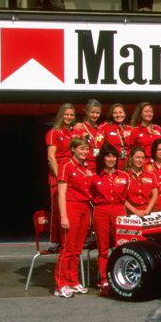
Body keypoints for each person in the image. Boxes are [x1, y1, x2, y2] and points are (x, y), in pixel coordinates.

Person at [54, 138, 94, 298]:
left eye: (86, 149)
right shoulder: (66, 166)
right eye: (81, 149)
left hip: (84, 207)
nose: (84, 152)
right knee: (67, 248)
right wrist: (63, 215)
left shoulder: (86, 167)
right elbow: (61, 193)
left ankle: (72, 280)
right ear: (73, 149)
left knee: (77, 248)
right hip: (71, 206)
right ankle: (60, 284)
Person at [90, 146, 128, 292]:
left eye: (114, 156)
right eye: (108, 156)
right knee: (103, 248)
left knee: (121, 246)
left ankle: (121, 276)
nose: (111, 159)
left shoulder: (124, 176)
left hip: (119, 210)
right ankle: (105, 280)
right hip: (101, 211)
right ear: (103, 158)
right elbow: (91, 195)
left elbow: (126, 196)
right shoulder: (95, 177)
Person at [46, 103, 77, 248]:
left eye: (71, 115)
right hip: (59, 174)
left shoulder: (73, 133)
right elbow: (51, 157)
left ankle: (71, 239)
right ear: (60, 115)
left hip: (72, 174)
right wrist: (60, 177)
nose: (69, 117)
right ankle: (59, 242)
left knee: (72, 207)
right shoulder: (54, 132)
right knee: (59, 208)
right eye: (66, 114)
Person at [123, 146, 158, 217]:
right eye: (137, 157)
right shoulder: (124, 176)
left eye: (142, 158)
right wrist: (135, 211)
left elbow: (155, 194)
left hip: (148, 212)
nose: (140, 160)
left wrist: (147, 210)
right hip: (130, 213)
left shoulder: (151, 175)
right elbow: (122, 198)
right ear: (131, 158)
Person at [74, 99, 105, 170]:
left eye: (97, 113)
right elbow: (73, 149)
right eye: (92, 112)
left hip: (98, 165)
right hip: (83, 165)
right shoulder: (79, 128)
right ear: (87, 112)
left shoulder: (100, 130)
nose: (95, 115)